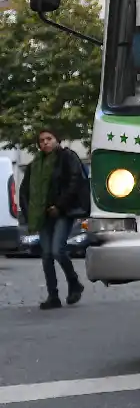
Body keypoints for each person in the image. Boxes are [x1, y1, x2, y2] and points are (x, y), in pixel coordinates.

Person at [18, 127, 90, 310]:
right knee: (46, 255)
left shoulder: (67, 157)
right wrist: (30, 213)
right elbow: (24, 191)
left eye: (49, 138)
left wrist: (59, 205)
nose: (45, 143)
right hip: (43, 214)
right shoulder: (35, 164)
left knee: (58, 250)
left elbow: (74, 182)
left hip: (63, 212)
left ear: (57, 140)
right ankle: (53, 295)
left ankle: (74, 283)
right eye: (41, 140)